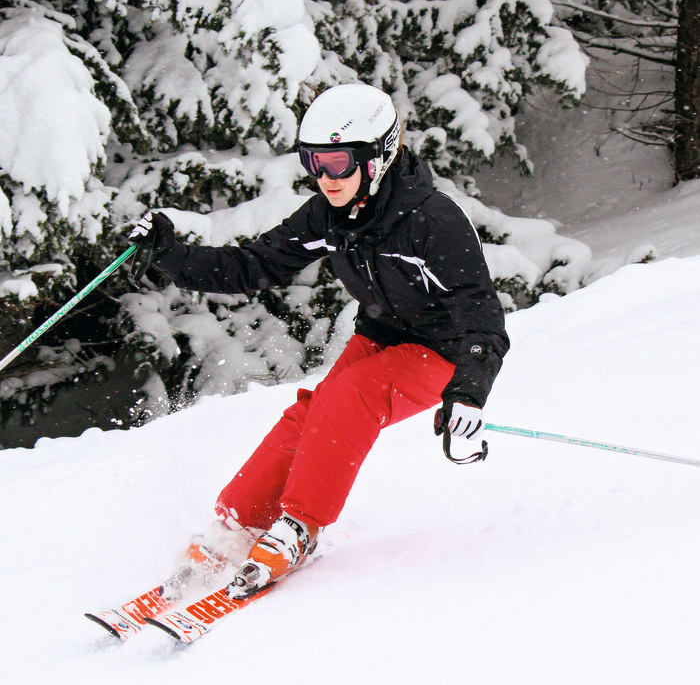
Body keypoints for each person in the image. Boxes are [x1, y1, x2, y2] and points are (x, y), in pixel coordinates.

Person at [128, 83, 509, 598]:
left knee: (349, 399)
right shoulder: (328, 215)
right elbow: (254, 266)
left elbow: (481, 313)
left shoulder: (432, 220)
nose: (325, 178)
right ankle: (239, 522)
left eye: (338, 164)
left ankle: (300, 528)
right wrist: (170, 255)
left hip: (442, 352)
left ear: (378, 158)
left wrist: (468, 392)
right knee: (313, 412)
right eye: (314, 163)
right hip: (380, 337)